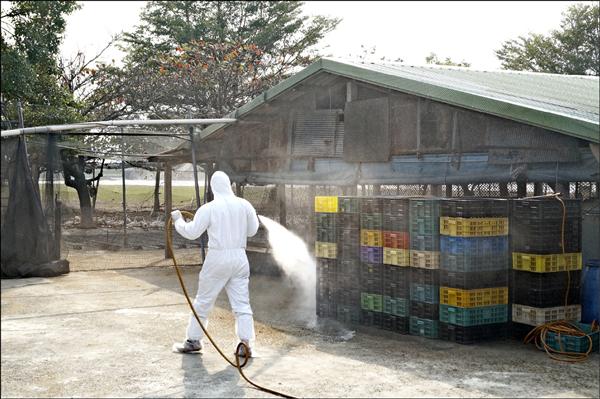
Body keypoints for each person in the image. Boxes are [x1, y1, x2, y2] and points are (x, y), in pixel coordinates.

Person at [171, 171, 259, 357]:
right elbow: (252, 231)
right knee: (242, 304)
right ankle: (245, 344)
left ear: (213, 188)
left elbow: (192, 232)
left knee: (203, 301)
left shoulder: (209, 208)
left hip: (217, 258)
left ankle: (193, 340)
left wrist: (178, 220)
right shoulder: (245, 205)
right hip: (240, 258)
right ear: (229, 185)